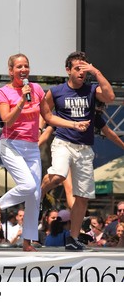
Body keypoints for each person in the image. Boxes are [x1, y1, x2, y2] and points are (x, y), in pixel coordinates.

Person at [0, 53, 90, 251]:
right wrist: (21, 102)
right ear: (11, 71)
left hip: (32, 146)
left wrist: (74, 124)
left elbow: (49, 116)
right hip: (11, 145)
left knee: (34, 195)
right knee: (27, 185)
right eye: (19, 67)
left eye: (26, 66)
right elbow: (7, 120)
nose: (23, 70)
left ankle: (27, 242)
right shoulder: (3, 92)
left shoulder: (35, 89)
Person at [40, 51, 115, 251]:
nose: (81, 72)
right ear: (68, 70)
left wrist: (96, 72)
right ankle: (40, 192)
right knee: (57, 175)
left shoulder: (91, 90)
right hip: (63, 142)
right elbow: (46, 115)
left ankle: (72, 238)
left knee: (82, 195)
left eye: (84, 68)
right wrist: (68, 125)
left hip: (84, 149)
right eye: (77, 68)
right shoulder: (56, 91)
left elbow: (110, 95)